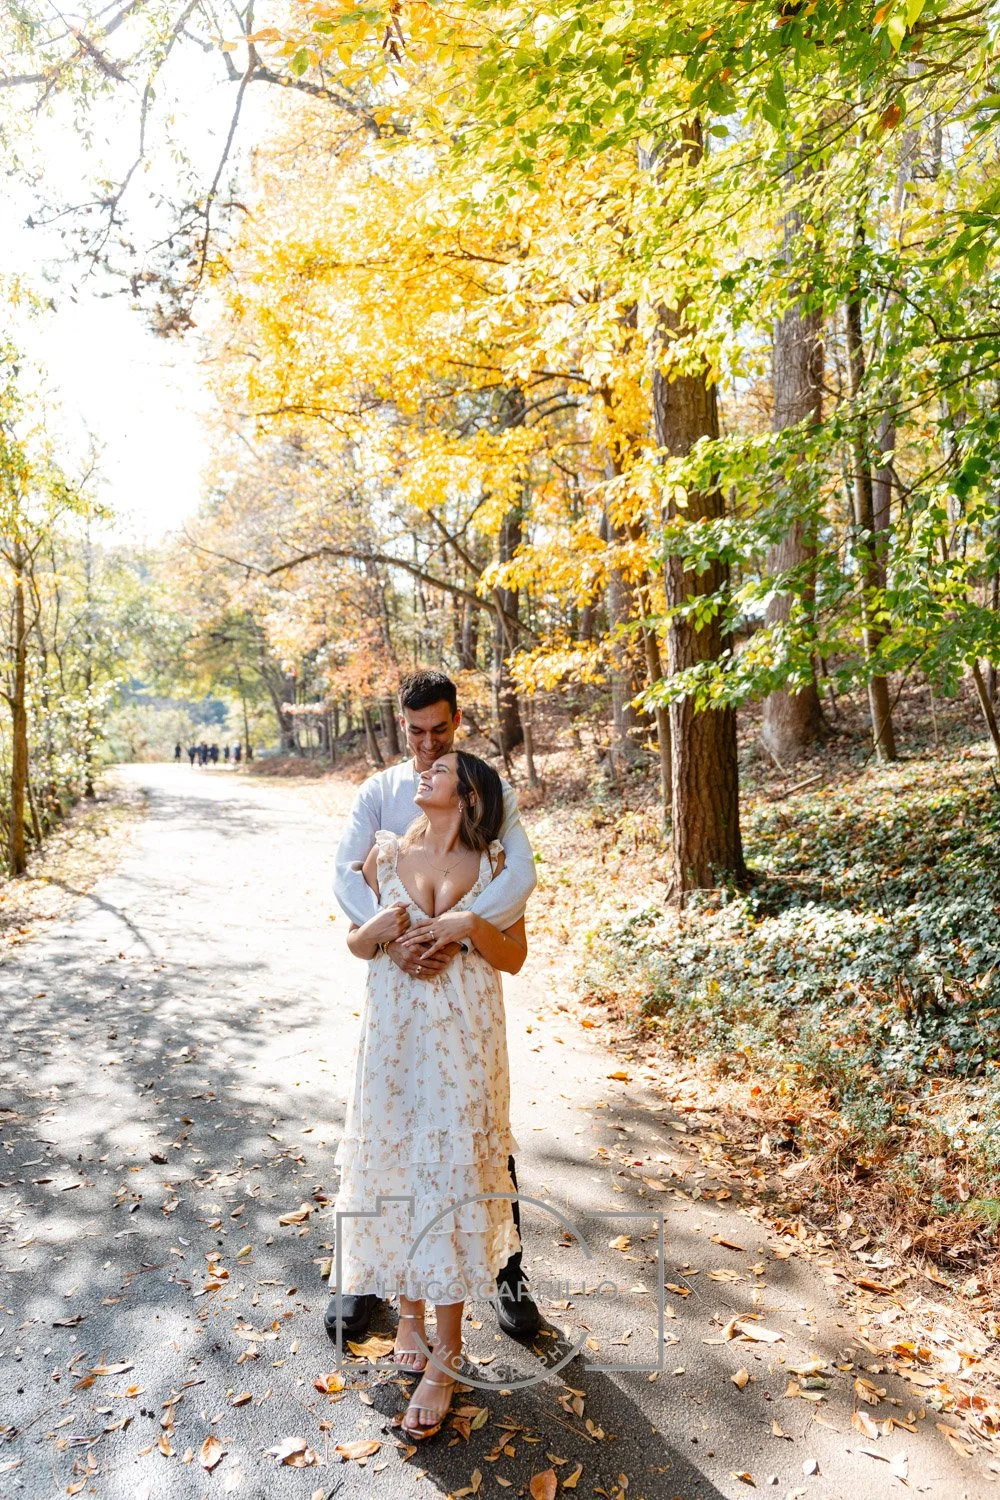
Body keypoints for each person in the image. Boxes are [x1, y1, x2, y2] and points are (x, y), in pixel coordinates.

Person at [329, 670, 539, 1349]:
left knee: (475, 1141)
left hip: (465, 1002)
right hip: (400, 993)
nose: (426, 745)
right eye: (416, 732)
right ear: (401, 727)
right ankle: (364, 1281)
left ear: (456, 723)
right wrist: (397, 942)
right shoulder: (380, 795)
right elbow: (345, 876)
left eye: (439, 730)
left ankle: (506, 1275)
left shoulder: (485, 787)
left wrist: (464, 927)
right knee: (388, 1137)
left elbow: (518, 878)